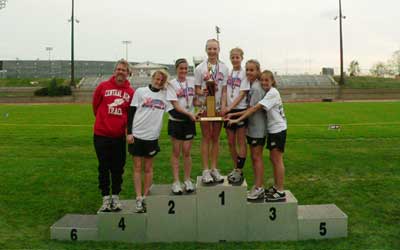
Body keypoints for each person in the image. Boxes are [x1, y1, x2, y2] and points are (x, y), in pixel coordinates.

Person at [228, 69, 288, 202]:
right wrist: (234, 114)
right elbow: (253, 107)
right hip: (274, 130)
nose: (264, 82)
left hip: (278, 130)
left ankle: (280, 191)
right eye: (262, 80)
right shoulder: (268, 92)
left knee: (277, 160)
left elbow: (254, 108)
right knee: (273, 159)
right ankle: (276, 187)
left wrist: (237, 119)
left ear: (273, 81)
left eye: (267, 80)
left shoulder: (272, 93)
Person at [92, 59, 135, 212]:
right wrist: (104, 122)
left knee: (118, 168)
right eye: (118, 69)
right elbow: (95, 107)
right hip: (101, 135)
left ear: (128, 73)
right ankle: (105, 198)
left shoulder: (131, 92)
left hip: (119, 137)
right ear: (114, 71)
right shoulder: (103, 87)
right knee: (103, 167)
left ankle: (115, 197)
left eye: (123, 70)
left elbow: (130, 115)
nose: (120, 72)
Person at [127, 70, 171, 212]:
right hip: (137, 135)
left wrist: (191, 115)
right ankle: (138, 198)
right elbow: (131, 112)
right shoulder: (140, 91)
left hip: (152, 137)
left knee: (148, 168)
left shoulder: (165, 95)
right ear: (152, 78)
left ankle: (146, 198)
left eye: (161, 80)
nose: (158, 82)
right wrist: (129, 133)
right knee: (137, 167)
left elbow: (174, 110)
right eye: (157, 79)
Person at [194, 38, 229, 184]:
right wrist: (202, 91)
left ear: (219, 50)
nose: (212, 51)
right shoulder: (200, 68)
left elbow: (225, 90)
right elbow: (196, 89)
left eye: (215, 48)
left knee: (215, 138)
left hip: (218, 108)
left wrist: (224, 108)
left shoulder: (224, 68)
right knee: (206, 138)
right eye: (210, 48)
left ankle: (214, 168)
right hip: (205, 107)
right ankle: (205, 170)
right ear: (206, 49)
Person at [166, 58, 197, 194]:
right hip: (176, 121)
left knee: (187, 152)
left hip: (189, 122)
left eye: (186, 68)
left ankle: (187, 179)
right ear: (176, 69)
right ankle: (176, 181)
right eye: (181, 68)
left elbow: (194, 100)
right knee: (176, 152)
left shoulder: (192, 81)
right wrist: (189, 114)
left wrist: (202, 104)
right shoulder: (171, 84)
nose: (183, 71)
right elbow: (176, 105)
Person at [221, 48, 250, 185]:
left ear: (241, 58)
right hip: (228, 110)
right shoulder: (228, 73)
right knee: (231, 142)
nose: (234, 59)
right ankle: (235, 168)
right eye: (232, 57)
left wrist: (230, 107)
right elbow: (225, 91)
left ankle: (239, 169)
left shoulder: (244, 74)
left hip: (240, 110)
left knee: (240, 141)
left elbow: (242, 94)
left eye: (237, 57)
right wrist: (224, 107)